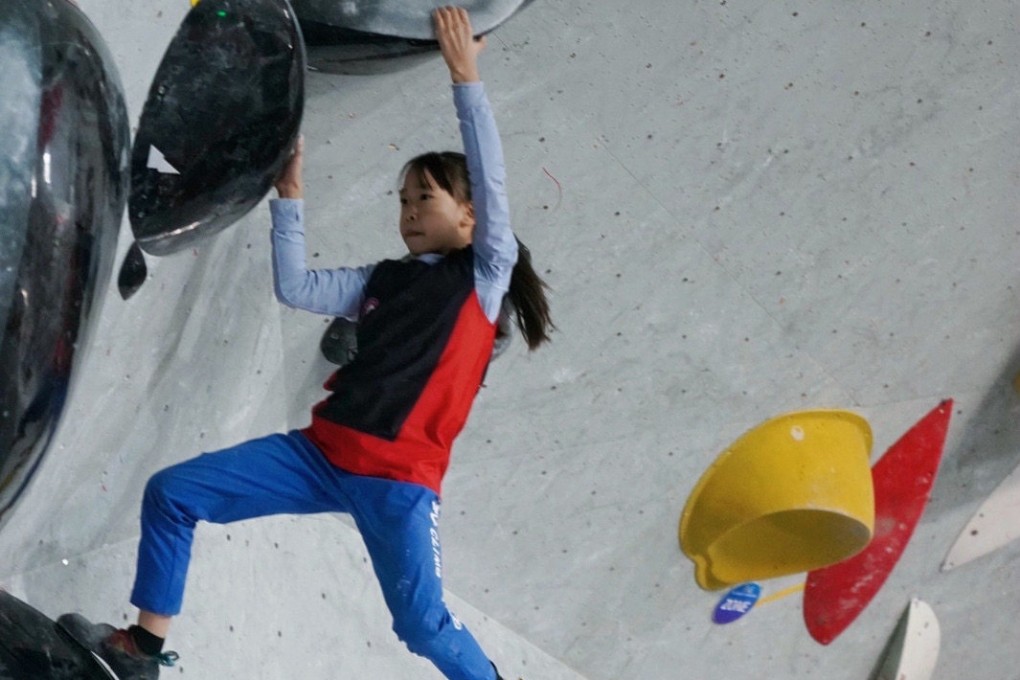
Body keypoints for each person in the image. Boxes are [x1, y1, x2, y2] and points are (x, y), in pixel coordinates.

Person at [58, 6, 552, 680]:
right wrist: (289, 198)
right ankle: (142, 651)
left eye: (426, 200)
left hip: (396, 484)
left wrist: (464, 77)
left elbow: (493, 180)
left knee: (420, 626)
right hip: (317, 456)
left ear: (469, 216)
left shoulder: (482, 277)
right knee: (173, 493)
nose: (409, 213)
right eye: (403, 200)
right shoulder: (382, 280)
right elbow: (295, 287)